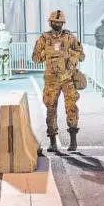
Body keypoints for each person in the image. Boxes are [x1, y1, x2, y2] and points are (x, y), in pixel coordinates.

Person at [32, 10, 85, 152]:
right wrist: (47, 52)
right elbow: (35, 58)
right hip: (51, 80)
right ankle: (53, 142)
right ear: (50, 23)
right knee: (51, 109)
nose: (57, 25)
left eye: (59, 23)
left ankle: (73, 141)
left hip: (68, 79)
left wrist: (71, 55)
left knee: (71, 108)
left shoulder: (70, 37)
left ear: (62, 24)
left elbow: (82, 55)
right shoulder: (44, 38)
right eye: (54, 23)